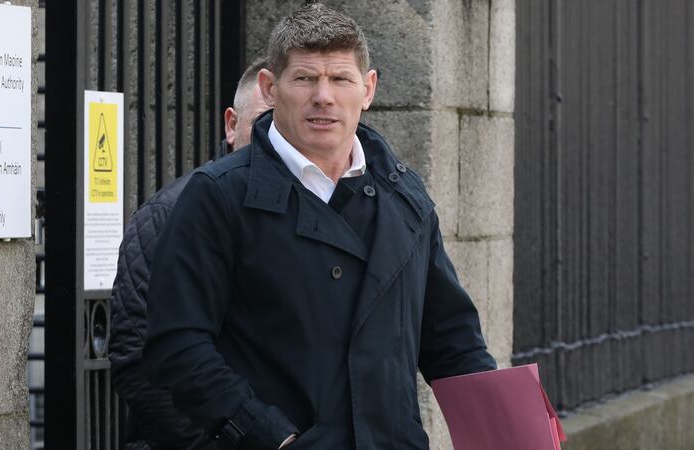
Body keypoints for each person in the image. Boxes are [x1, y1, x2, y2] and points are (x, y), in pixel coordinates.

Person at [143, 4, 496, 449]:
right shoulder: (216, 196)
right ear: (271, 88)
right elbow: (177, 346)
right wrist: (271, 437)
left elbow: (452, 341)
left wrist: (510, 428)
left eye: (341, 79)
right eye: (305, 79)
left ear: (368, 89)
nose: (323, 96)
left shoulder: (407, 198)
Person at [108, 58, 270, 450]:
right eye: (264, 125)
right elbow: (138, 356)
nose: (275, 142)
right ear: (231, 125)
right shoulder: (168, 215)